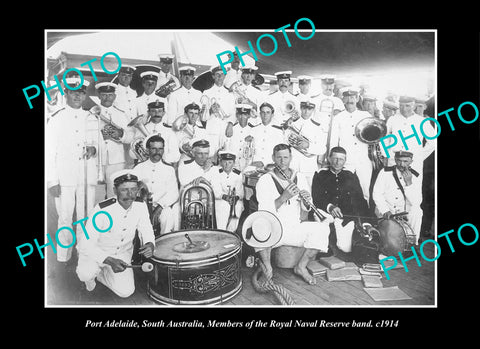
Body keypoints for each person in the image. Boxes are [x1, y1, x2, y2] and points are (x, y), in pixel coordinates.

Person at [254, 143, 332, 285]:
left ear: (291, 158)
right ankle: (267, 267)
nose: (282, 161)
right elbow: (263, 211)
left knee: (322, 228)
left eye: (285, 157)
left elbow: (306, 209)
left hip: (294, 228)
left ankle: (301, 267)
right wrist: (284, 197)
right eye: (279, 158)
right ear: (273, 158)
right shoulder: (265, 180)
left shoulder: (300, 177)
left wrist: (307, 202)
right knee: (259, 227)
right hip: (273, 231)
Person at [75, 170, 155, 298]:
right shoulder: (102, 209)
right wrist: (109, 260)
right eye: (124, 190)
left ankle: (102, 275)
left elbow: (146, 228)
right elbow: (85, 244)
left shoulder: (140, 205)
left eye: (134, 189)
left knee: (126, 292)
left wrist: (150, 243)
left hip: (122, 254)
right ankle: (93, 277)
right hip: (96, 253)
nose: (130, 194)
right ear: (114, 190)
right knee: (85, 273)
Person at [46, 77, 99, 263]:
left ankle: (84, 254)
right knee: (65, 217)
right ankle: (64, 257)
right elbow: (49, 151)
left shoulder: (91, 117)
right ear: (66, 93)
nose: (78, 95)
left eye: (81, 92)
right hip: (65, 177)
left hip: (86, 176)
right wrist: (52, 181)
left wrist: (94, 149)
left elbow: (97, 144)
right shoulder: (56, 119)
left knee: (86, 216)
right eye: (73, 91)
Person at [311, 147, 372, 253]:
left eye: (341, 159)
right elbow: (316, 197)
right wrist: (330, 207)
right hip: (325, 213)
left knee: (345, 249)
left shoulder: (351, 176)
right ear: (329, 159)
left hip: (345, 216)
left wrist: (366, 223)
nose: (338, 162)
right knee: (322, 249)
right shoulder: (320, 174)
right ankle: (323, 248)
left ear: (345, 161)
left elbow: (360, 200)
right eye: (335, 158)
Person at [329, 87, 374, 203]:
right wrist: (333, 160)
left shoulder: (365, 115)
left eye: (353, 97)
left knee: (365, 192)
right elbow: (334, 140)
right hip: (346, 161)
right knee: (345, 191)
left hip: (363, 160)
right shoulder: (338, 118)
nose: (350, 100)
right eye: (347, 97)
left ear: (357, 98)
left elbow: (373, 136)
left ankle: (366, 219)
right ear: (343, 100)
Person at [131, 134, 180, 235]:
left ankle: (163, 245)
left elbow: (173, 193)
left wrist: (159, 207)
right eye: (154, 149)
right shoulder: (138, 168)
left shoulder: (169, 169)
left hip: (161, 206)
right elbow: (131, 189)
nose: (158, 152)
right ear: (148, 150)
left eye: (160, 149)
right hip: (141, 206)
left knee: (168, 216)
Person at [372, 150, 423, 244]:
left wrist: (409, 183)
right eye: (399, 161)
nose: (402, 164)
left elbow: (417, 201)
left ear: (411, 162)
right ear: (395, 160)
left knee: (417, 211)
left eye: (405, 161)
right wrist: (384, 210)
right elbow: (377, 193)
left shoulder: (415, 176)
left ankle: (412, 244)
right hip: (387, 209)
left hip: (403, 211)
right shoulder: (385, 172)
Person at [93, 82, 134, 198]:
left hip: (116, 160)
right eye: (104, 95)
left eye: (110, 95)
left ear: (114, 96)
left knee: (115, 194)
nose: (107, 98)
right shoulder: (91, 114)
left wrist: (120, 135)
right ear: (99, 96)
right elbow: (85, 136)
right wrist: (101, 136)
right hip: (97, 160)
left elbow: (131, 137)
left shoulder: (121, 114)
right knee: (97, 195)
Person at [382, 95, 436, 178]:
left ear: (414, 106)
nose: (404, 109)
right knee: (392, 187)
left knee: (413, 188)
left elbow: (433, 142)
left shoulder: (422, 121)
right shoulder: (392, 119)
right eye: (401, 106)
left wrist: (419, 156)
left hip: (413, 163)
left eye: (407, 106)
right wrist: (386, 155)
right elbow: (385, 139)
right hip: (393, 160)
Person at [287, 99, 327, 187]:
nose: (306, 111)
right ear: (300, 108)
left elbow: (323, 149)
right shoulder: (292, 124)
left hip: (308, 167)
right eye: (304, 108)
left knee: (308, 193)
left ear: (313, 110)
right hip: (292, 165)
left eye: (309, 109)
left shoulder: (318, 127)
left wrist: (308, 145)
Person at [206, 150, 244, 231]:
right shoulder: (216, 172)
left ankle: (231, 231)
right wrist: (225, 197)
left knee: (238, 206)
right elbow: (216, 190)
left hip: (234, 198)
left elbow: (240, 192)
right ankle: (222, 231)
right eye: (225, 162)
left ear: (233, 163)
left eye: (230, 162)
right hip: (220, 199)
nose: (227, 165)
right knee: (223, 206)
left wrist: (236, 198)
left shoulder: (238, 174)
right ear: (221, 162)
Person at [250, 102, 286, 168]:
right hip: (254, 166)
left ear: (272, 115)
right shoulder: (253, 130)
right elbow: (249, 151)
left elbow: (281, 153)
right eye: (263, 112)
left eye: (268, 112)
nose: (265, 115)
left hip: (272, 167)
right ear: (260, 114)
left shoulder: (278, 131)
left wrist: (266, 163)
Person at [222, 104, 256, 171]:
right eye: (240, 115)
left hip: (247, 167)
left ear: (249, 116)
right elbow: (225, 148)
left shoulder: (253, 130)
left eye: (245, 115)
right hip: (232, 167)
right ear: (237, 115)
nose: (242, 118)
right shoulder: (230, 130)